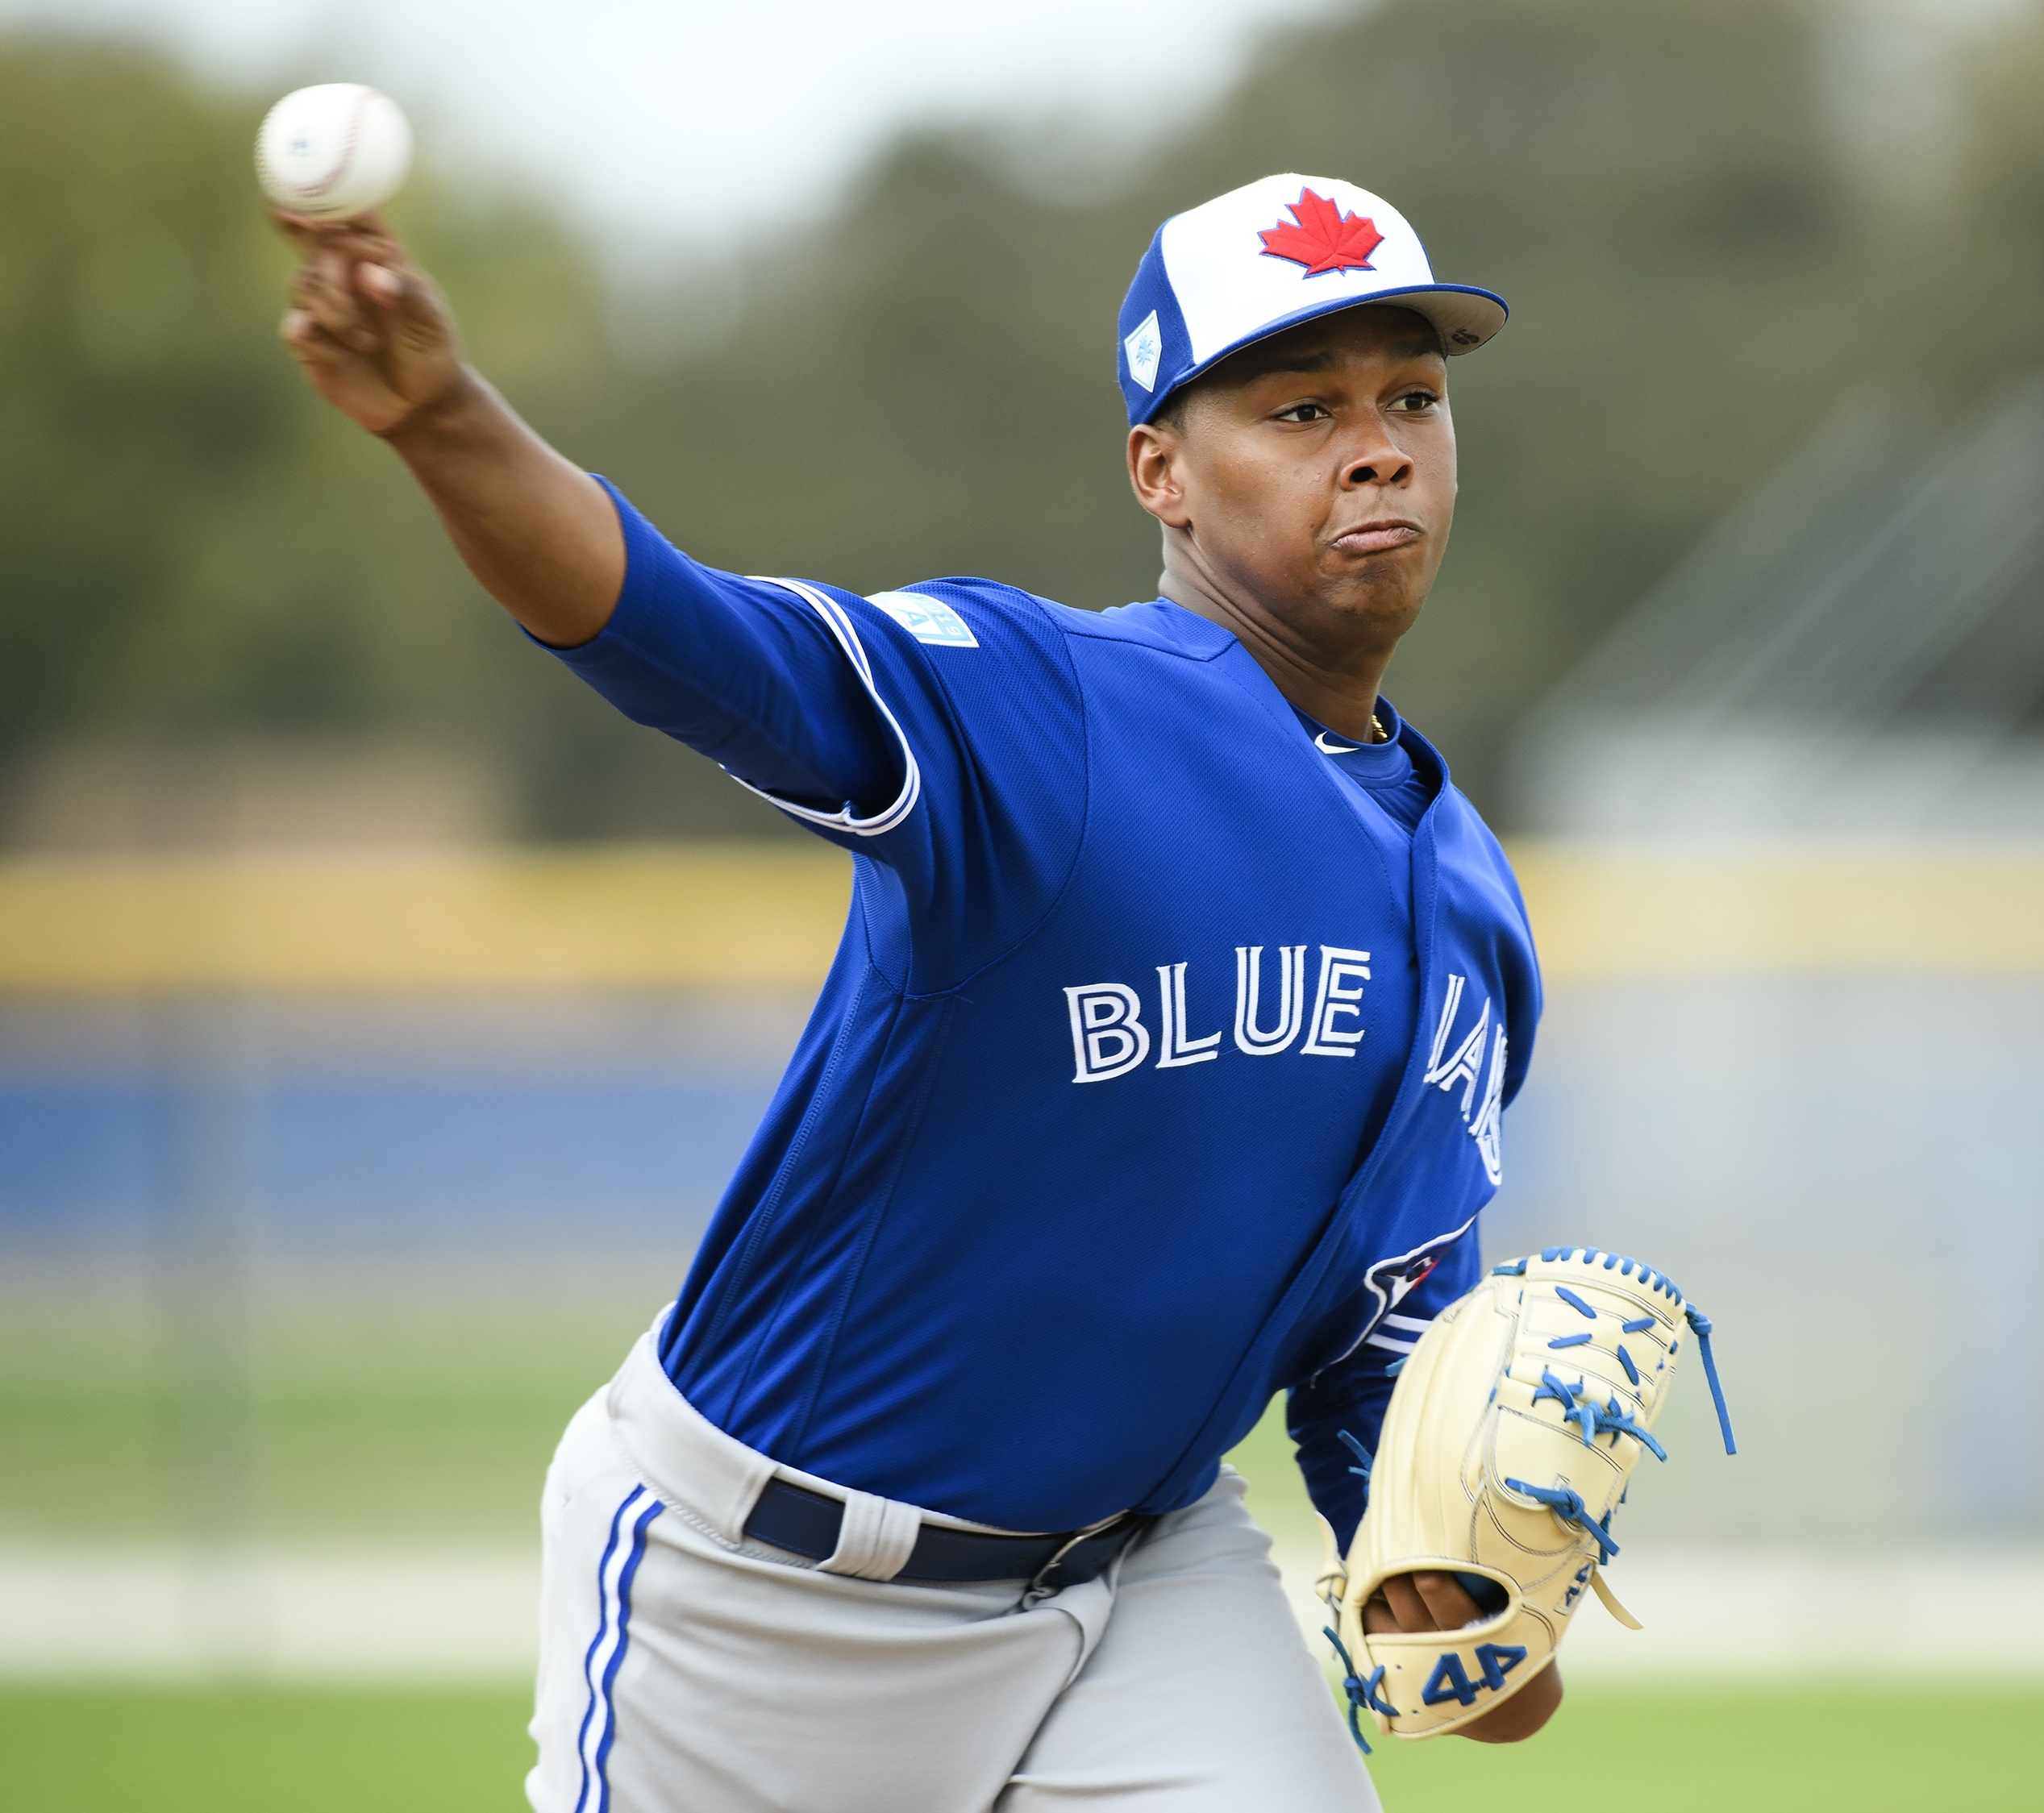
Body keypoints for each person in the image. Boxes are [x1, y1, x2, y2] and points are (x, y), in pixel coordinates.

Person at [277, 170, 1548, 1811]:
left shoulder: (1472, 904)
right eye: (1300, 405)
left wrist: (1454, 1591)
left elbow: (1383, 1336)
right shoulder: (1045, 711)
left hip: (1138, 1583)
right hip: (769, 1588)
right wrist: (445, 418)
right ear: (1160, 470)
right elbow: (694, 638)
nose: (1377, 446)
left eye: (1414, 400)